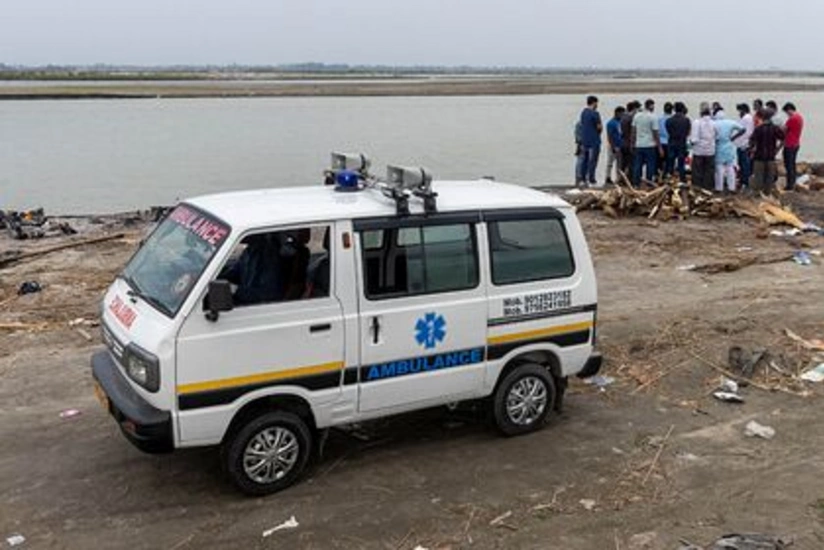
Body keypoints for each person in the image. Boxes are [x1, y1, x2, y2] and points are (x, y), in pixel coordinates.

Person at [749, 108, 785, 194]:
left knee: (758, 176)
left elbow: (751, 142)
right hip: (771, 156)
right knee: (769, 177)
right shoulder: (775, 128)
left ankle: (758, 193)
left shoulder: (758, 129)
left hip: (759, 156)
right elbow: (783, 139)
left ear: (762, 118)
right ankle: (767, 193)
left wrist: (752, 150)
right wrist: (777, 149)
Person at [713, 112, 746, 193]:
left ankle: (719, 188)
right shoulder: (730, 122)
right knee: (730, 168)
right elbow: (743, 129)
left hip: (719, 146)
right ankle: (732, 187)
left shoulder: (714, 123)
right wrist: (734, 137)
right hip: (729, 146)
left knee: (719, 169)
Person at [631, 99, 661, 187]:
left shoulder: (637, 116)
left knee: (638, 165)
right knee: (650, 165)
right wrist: (659, 147)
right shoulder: (653, 117)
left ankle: (636, 183)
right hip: (650, 145)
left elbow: (633, 131)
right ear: (651, 106)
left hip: (639, 144)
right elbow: (656, 133)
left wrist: (632, 143)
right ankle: (649, 182)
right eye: (653, 106)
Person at [689, 102, 717, 190]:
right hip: (710, 151)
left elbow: (694, 139)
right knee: (709, 172)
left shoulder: (697, 122)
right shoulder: (714, 123)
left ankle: (698, 189)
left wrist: (691, 143)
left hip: (699, 151)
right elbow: (717, 136)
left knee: (697, 172)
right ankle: (708, 189)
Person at [579, 95, 603, 186]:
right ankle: (592, 179)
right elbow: (599, 127)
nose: (597, 105)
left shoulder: (583, 113)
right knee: (593, 160)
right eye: (596, 103)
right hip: (594, 140)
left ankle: (583, 179)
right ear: (594, 103)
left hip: (585, 140)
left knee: (584, 160)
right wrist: (599, 132)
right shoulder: (595, 113)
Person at [666, 102, 692, 182]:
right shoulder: (686, 120)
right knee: (681, 164)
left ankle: (670, 178)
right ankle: (682, 179)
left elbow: (668, 131)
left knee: (670, 162)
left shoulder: (669, 120)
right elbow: (688, 132)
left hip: (672, 142)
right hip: (682, 143)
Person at [782, 102, 804, 191]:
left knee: (789, 165)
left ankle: (789, 185)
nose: (787, 114)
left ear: (790, 109)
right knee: (792, 164)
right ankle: (792, 183)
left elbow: (783, 129)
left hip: (790, 144)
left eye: (787, 112)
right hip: (796, 143)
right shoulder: (800, 117)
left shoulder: (792, 119)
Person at [734, 104, 755, 188]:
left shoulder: (746, 118)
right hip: (744, 143)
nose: (739, 113)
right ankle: (744, 180)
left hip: (743, 144)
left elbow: (742, 130)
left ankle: (745, 181)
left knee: (744, 164)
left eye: (739, 111)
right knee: (743, 163)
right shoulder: (749, 118)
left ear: (743, 110)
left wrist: (732, 138)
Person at [620, 101, 640, 180]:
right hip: (629, 143)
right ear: (634, 109)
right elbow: (633, 131)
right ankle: (631, 179)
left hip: (623, 142)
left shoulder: (623, 117)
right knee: (632, 162)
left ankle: (621, 179)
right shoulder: (631, 118)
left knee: (623, 163)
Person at [605, 106, 625, 185]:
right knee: (610, 162)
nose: (622, 116)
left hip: (620, 145)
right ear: (617, 113)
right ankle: (608, 177)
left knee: (619, 163)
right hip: (613, 145)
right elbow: (609, 136)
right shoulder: (611, 123)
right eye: (622, 114)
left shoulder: (620, 122)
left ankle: (618, 178)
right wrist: (613, 146)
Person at [659, 102, 673, 179]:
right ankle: (667, 176)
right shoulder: (672, 119)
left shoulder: (659, 119)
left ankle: (660, 176)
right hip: (670, 142)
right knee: (669, 162)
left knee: (660, 162)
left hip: (661, 143)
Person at [573, 119, 585, 185]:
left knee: (579, 161)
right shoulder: (582, 123)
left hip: (580, 144)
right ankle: (580, 177)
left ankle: (578, 178)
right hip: (583, 144)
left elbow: (576, 135)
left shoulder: (578, 123)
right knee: (581, 161)